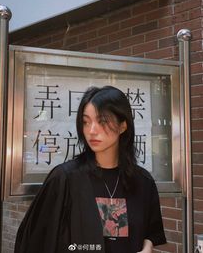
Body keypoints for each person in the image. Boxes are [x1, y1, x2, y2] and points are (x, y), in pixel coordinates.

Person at [14, 86, 166, 253]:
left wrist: (148, 246)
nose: (91, 130)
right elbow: (34, 240)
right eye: (86, 122)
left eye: (102, 121)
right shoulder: (64, 178)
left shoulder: (143, 182)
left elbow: (151, 232)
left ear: (123, 126)